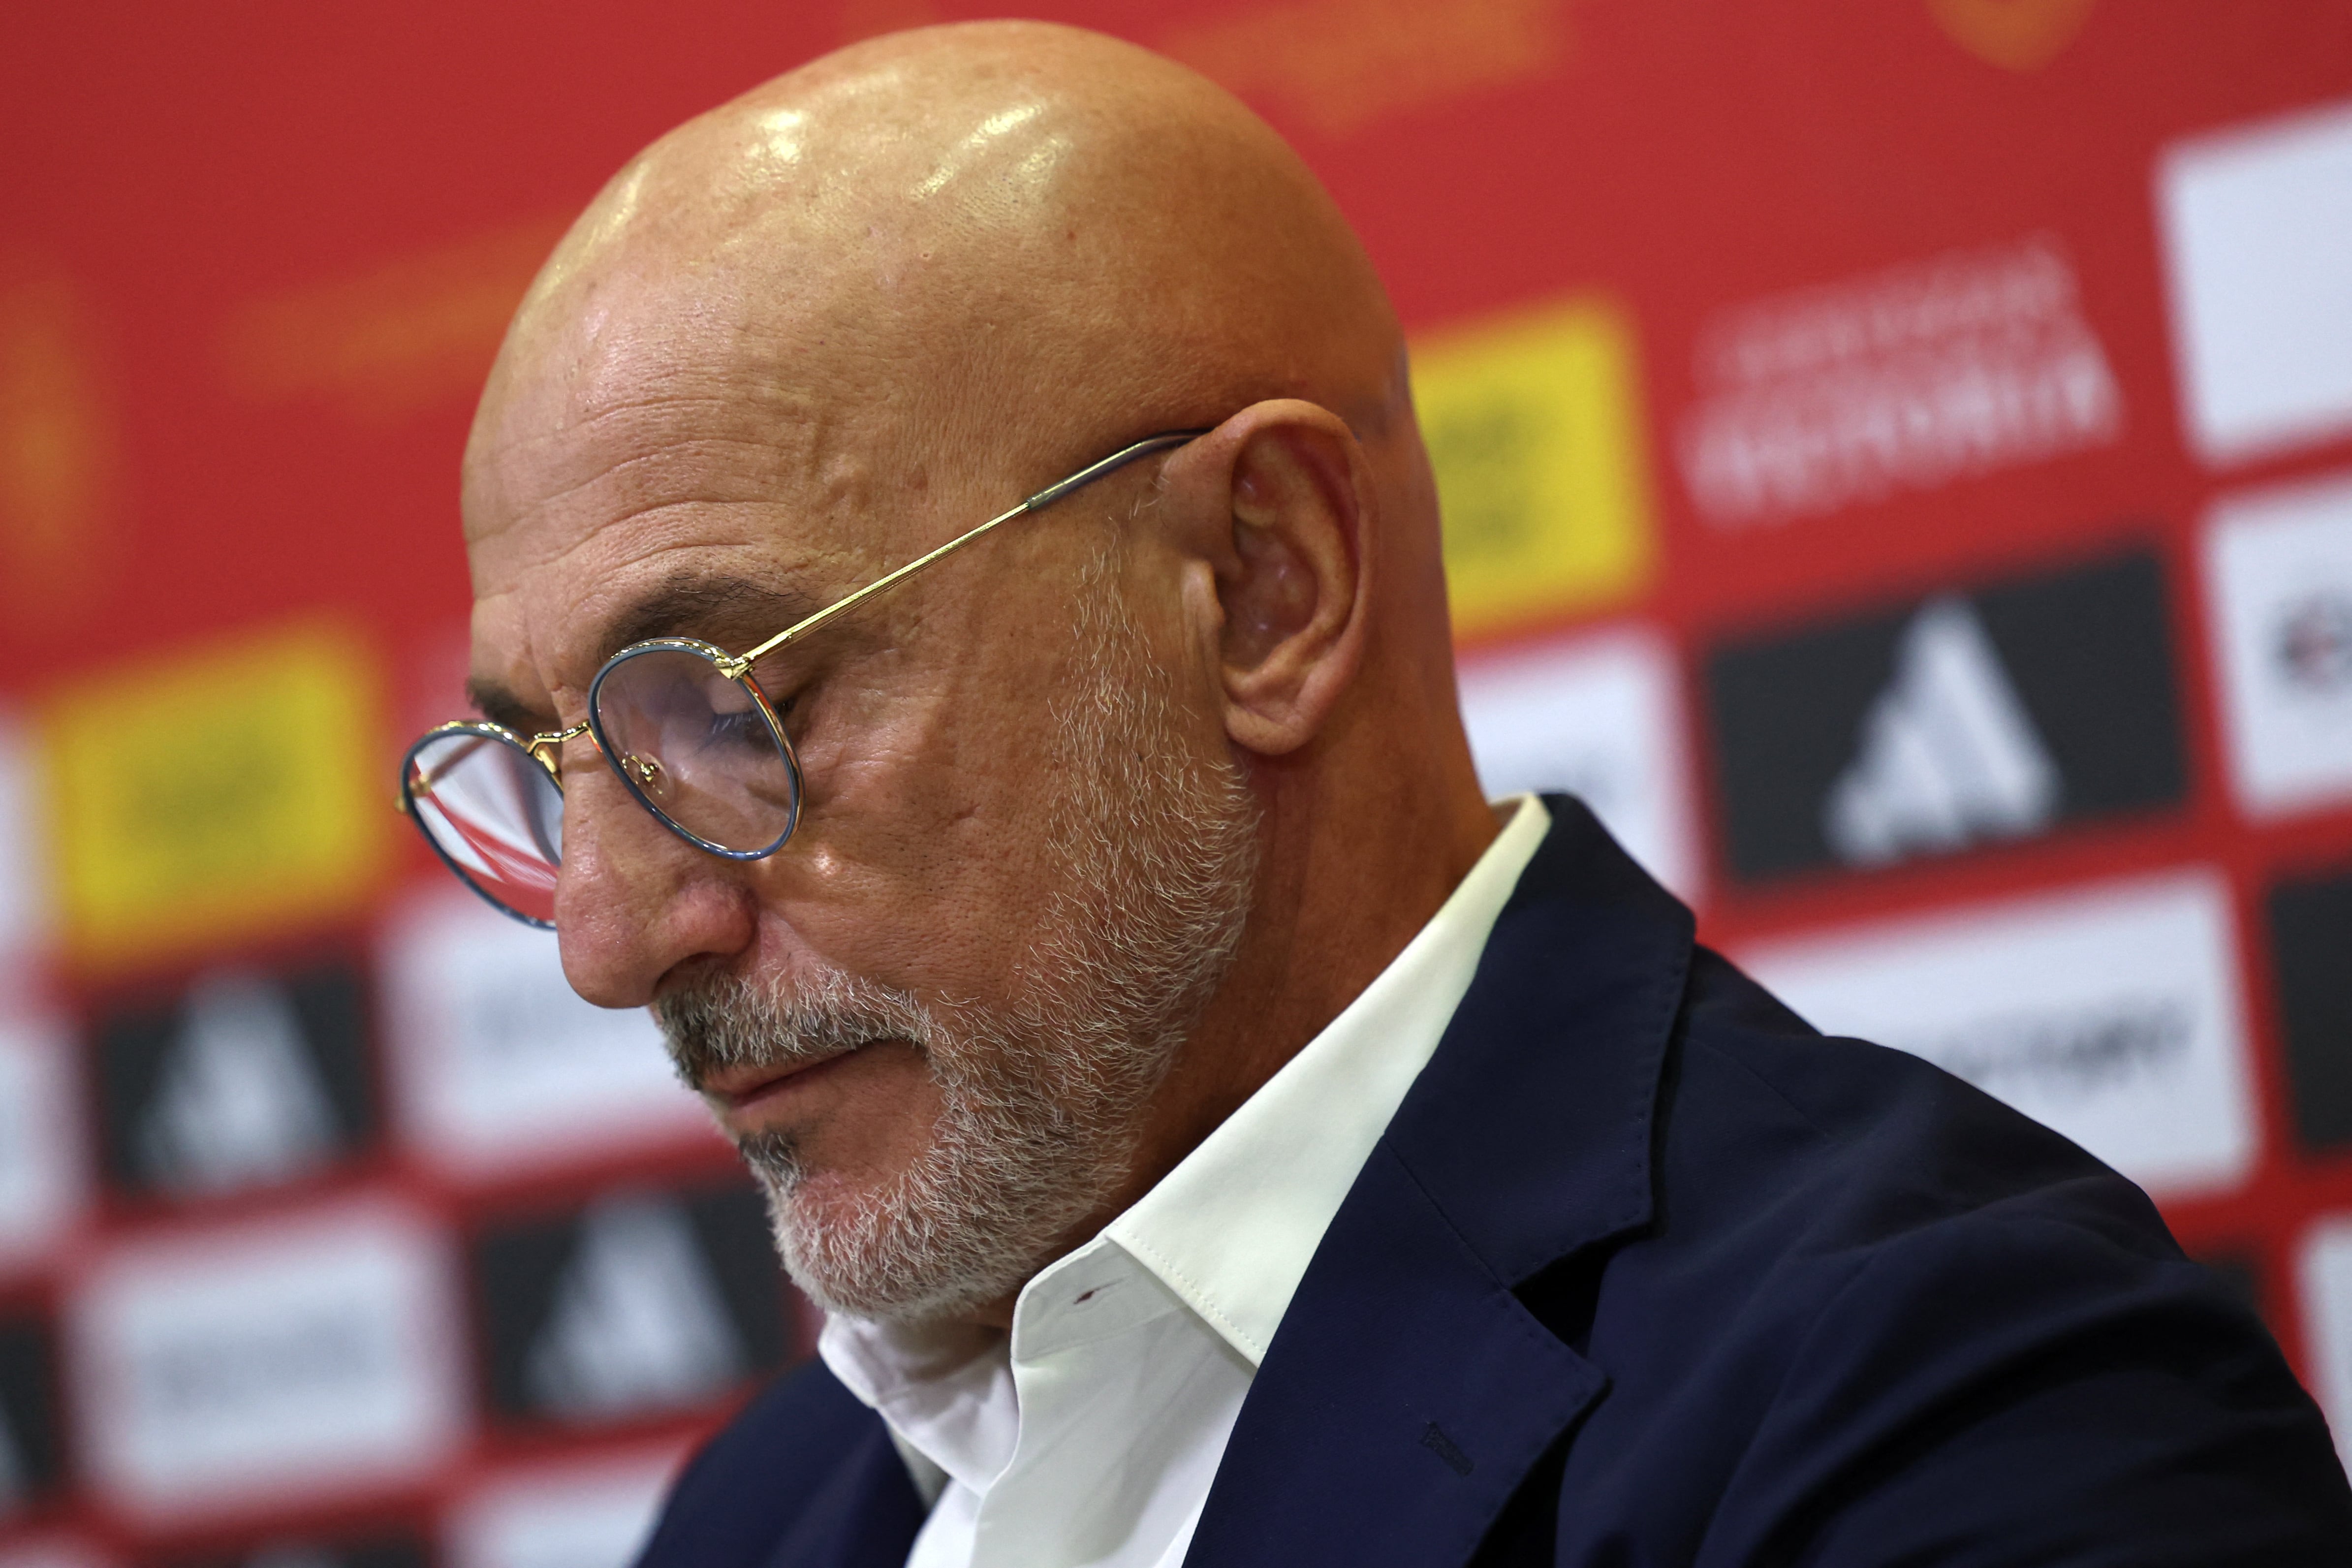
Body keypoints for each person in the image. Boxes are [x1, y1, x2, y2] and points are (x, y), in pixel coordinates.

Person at [407, 19, 2352, 1567]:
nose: (605, 933)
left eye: (731, 700)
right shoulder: (755, 1517)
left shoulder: (1942, 1402)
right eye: (552, 752)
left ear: (1265, 588)